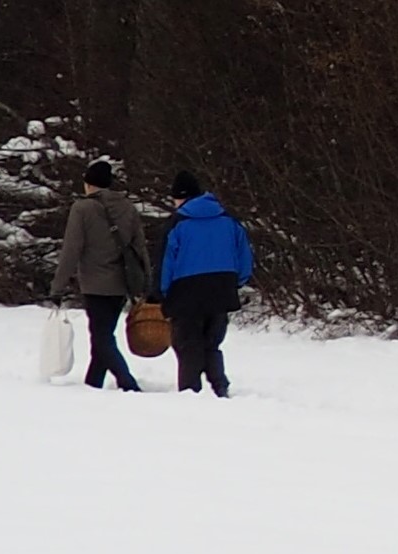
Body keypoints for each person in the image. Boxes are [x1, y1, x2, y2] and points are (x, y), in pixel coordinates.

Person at [50, 161, 148, 392]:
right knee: (102, 335)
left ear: (88, 184)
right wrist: (145, 284)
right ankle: (92, 385)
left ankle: (127, 383)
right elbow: (140, 248)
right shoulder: (128, 207)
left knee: (102, 338)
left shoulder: (82, 209)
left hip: (95, 284)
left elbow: (71, 250)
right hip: (122, 284)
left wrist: (57, 287)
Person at [155, 171, 253, 398]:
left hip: (186, 291)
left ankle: (190, 392)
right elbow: (244, 256)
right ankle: (220, 386)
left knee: (187, 345)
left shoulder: (177, 223)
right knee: (211, 342)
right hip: (222, 288)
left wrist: (162, 292)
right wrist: (237, 281)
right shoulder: (228, 220)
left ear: (181, 197)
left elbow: (166, 262)